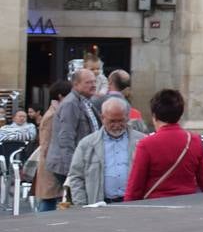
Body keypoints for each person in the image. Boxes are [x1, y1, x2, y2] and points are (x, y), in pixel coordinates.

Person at [126, 89, 203, 201]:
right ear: (180, 114)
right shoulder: (194, 140)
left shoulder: (146, 144)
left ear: (154, 116)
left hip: (155, 206)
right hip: (188, 203)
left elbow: (135, 187)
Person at [66, 97, 144, 205]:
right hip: (100, 206)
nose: (117, 125)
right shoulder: (87, 144)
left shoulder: (142, 142)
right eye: (112, 121)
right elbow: (76, 177)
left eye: (121, 120)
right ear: (102, 118)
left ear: (127, 117)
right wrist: (82, 206)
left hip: (135, 205)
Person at [43, 68, 101, 212]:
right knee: (75, 200)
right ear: (76, 84)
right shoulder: (71, 103)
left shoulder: (86, 101)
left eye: (94, 81)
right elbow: (66, 138)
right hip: (70, 163)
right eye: (88, 82)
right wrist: (73, 168)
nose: (93, 85)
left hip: (82, 160)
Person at [32, 82, 70, 211]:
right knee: (48, 199)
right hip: (50, 165)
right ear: (60, 96)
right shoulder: (52, 115)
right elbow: (46, 143)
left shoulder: (57, 112)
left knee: (50, 198)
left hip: (52, 163)